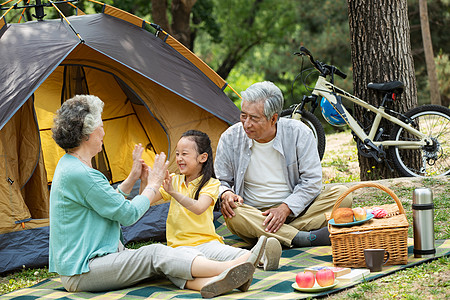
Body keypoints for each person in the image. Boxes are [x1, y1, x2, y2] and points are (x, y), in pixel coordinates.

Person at [49, 95, 262, 298]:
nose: (104, 132)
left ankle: (212, 282)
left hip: (90, 262)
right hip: (83, 270)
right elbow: (127, 214)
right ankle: (229, 268)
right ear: (88, 133)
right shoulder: (81, 173)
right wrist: (153, 184)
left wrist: (132, 178)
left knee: (164, 261)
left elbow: (106, 202)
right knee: (155, 254)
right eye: (101, 126)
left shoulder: (71, 166)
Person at [214, 81, 353, 248]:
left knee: (343, 195)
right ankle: (302, 238)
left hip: (297, 211)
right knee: (233, 213)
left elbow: (312, 181)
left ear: (273, 118)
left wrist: (285, 208)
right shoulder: (230, 138)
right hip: (252, 213)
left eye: (254, 118)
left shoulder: (299, 133)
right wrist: (226, 193)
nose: (246, 123)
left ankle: (270, 236)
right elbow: (220, 181)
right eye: (243, 115)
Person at [151, 130, 281, 271]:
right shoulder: (173, 181)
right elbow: (148, 199)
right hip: (179, 247)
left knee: (234, 253)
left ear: (202, 157)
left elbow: (199, 207)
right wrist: (147, 179)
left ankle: (263, 258)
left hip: (206, 242)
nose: (179, 158)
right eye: (177, 154)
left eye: (184, 154)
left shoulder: (211, 184)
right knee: (192, 262)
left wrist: (173, 193)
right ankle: (227, 269)